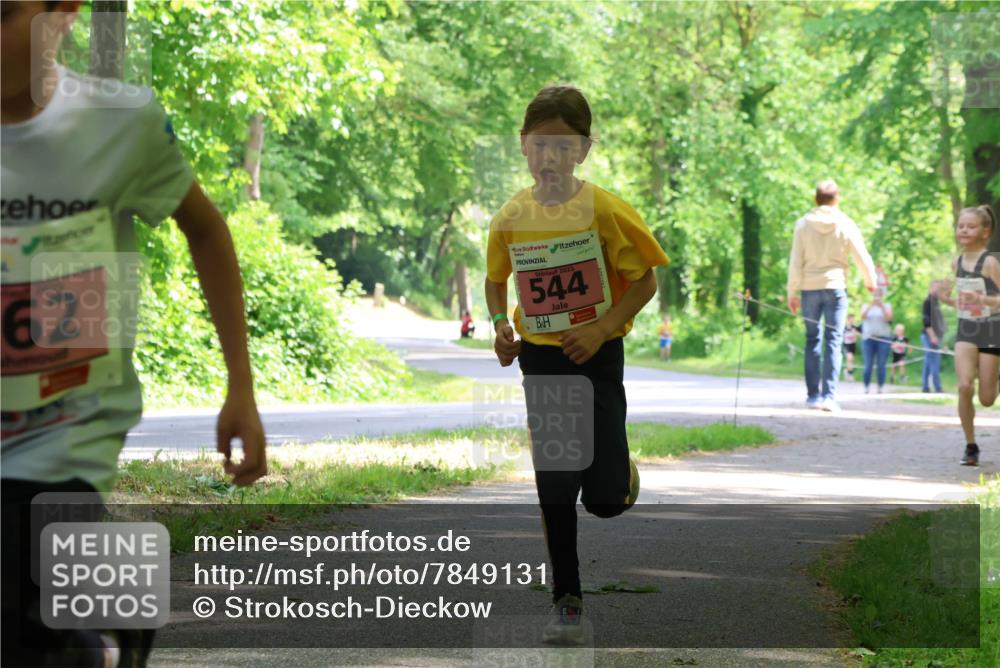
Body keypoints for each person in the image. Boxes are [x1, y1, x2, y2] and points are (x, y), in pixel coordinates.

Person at [1, 2, 267, 665]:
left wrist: (240, 387)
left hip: (67, 428)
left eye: (2, 15)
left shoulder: (119, 122)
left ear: (63, 13)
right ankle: (104, 619)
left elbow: (205, 228)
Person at [484, 85, 667, 646]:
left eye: (564, 146)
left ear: (583, 150)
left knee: (606, 500)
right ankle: (567, 601)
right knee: (556, 482)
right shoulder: (511, 216)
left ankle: (619, 473)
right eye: (540, 144)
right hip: (542, 358)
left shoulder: (605, 210)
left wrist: (602, 328)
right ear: (523, 145)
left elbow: (645, 281)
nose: (550, 156)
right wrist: (502, 326)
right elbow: (496, 281)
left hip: (598, 355)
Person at [787, 179, 877, 412]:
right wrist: (871, 281)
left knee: (812, 340)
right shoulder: (845, 223)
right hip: (836, 287)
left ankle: (813, 397)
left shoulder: (802, 224)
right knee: (834, 340)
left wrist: (791, 291)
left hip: (809, 288)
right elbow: (861, 255)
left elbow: (795, 260)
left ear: (816, 199)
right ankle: (829, 397)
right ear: (837, 199)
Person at [937, 206, 999, 466]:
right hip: (967, 330)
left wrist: (981, 298)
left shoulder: (991, 263)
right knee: (964, 386)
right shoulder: (957, 263)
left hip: (991, 329)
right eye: (961, 226)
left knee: (987, 399)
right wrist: (945, 298)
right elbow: (963, 303)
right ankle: (971, 446)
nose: (963, 230)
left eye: (970, 227)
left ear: (985, 232)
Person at [860, 289, 893, 393]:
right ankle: (866, 386)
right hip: (868, 339)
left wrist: (882, 306)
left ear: (882, 296)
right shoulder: (866, 306)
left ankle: (880, 386)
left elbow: (889, 319)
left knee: (881, 364)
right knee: (868, 364)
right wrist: (871, 305)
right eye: (875, 295)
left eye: (879, 295)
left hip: (883, 338)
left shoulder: (887, 306)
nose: (877, 297)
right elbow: (862, 316)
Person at [921, 280, 947, 393]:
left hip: (937, 336)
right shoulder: (928, 302)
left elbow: (941, 323)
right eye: (936, 288)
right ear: (931, 288)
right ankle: (938, 387)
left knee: (928, 361)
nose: (938, 290)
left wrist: (942, 340)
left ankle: (925, 386)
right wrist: (932, 336)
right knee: (934, 361)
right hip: (929, 336)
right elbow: (926, 321)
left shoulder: (937, 303)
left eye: (939, 288)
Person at [843, 313, 861, 381]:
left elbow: (860, 335)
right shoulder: (844, 327)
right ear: (848, 319)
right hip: (846, 345)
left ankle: (847, 371)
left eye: (853, 319)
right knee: (849, 358)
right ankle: (850, 374)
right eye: (851, 319)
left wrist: (856, 333)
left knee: (851, 360)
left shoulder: (855, 327)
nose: (852, 320)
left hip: (853, 345)